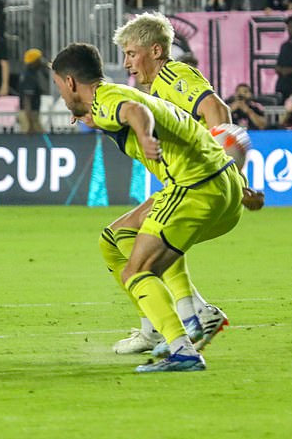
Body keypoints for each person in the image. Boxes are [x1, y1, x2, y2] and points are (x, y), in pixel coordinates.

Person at [51, 42, 247, 372]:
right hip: (222, 184)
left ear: (70, 82)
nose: (60, 94)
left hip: (194, 187)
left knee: (136, 270)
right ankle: (178, 319)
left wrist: (144, 136)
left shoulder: (108, 99)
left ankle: (183, 343)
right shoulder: (107, 100)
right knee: (118, 238)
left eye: (58, 86)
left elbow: (134, 113)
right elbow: (128, 113)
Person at [107, 12, 263, 356]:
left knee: (122, 236)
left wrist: (231, 175)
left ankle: (170, 323)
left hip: (198, 184)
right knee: (135, 236)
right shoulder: (156, 88)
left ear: (157, 50)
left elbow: (217, 111)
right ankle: (189, 314)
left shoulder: (172, 75)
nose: (127, 63)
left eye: (132, 54)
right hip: (187, 182)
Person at [18, 48, 46, 134]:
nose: (41, 62)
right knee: (36, 141)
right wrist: (30, 124)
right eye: (39, 59)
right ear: (34, 62)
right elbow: (27, 100)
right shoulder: (29, 77)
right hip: (30, 115)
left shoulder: (30, 74)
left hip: (31, 114)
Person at [275, 15, 292, 101]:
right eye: (289, 27)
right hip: (283, 86)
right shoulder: (284, 46)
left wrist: (290, 70)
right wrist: (279, 69)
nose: (291, 29)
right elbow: (278, 65)